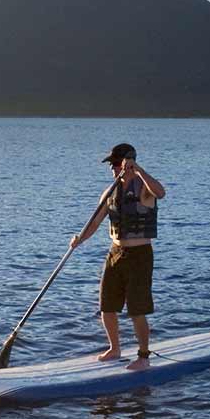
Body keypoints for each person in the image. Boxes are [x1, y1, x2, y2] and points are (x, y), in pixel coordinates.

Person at [70, 143, 166, 371]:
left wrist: (139, 170)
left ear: (127, 163)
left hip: (140, 254)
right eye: (111, 165)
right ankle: (115, 349)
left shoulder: (144, 187)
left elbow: (161, 192)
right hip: (116, 253)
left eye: (116, 164)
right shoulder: (110, 191)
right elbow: (94, 222)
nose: (112, 169)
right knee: (107, 305)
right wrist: (79, 240)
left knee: (137, 309)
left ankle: (144, 356)